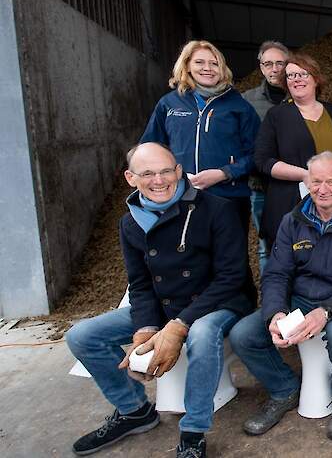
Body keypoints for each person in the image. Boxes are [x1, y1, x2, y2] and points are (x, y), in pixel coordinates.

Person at [66, 143, 256, 458]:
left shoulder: (217, 208)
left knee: (202, 331)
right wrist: (146, 327)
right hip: (165, 305)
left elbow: (231, 277)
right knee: (82, 336)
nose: (159, 180)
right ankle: (133, 410)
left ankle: (194, 431)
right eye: (148, 173)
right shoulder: (129, 223)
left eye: (167, 170)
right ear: (130, 177)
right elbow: (139, 284)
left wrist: (179, 324)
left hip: (220, 302)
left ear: (179, 171)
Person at [230, 152, 332, 440]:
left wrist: (326, 311)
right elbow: (277, 273)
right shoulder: (293, 220)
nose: (322, 189)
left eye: (330, 182)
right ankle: (284, 389)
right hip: (301, 299)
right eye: (315, 182)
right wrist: (275, 312)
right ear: (307, 182)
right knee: (243, 335)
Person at [140, 40, 261, 233]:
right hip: (179, 196)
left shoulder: (240, 106)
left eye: (214, 63)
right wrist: (172, 175)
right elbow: (149, 150)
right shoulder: (169, 104)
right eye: (199, 62)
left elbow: (257, 154)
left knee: (231, 260)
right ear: (187, 65)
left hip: (229, 197)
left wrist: (224, 173)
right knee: (186, 258)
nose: (208, 68)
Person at [254, 53, 332, 250]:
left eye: (303, 74)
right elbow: (262, 160)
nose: (297, 79)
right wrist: (305, 175)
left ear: (315, 78)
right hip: (290, 204)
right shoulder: (276, 115)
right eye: (290, 76)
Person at [243, 41, 291, 271]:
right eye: (268, 63)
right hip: (261, 187)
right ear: (261, 67)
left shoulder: (300, 97)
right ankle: (272, 303)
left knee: (298, 242)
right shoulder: (247, 101)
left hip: (295, 187)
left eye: (280, 63)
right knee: (267, 245)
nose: (274, 69)